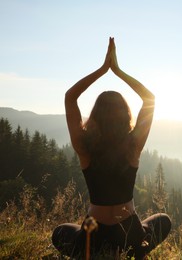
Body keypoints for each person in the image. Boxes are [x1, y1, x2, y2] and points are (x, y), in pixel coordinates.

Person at [52, 37, 171, 259]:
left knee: (60, 232)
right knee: (163, 220)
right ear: (125, 115)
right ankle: (136, 250)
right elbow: (149, 99)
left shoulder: (84, 147)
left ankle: (91, 252)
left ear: (95, 115)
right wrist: (117, 70)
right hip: (128, 231)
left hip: (93, 233)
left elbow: (70, 97)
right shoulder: (133, 145)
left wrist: (102, 70)